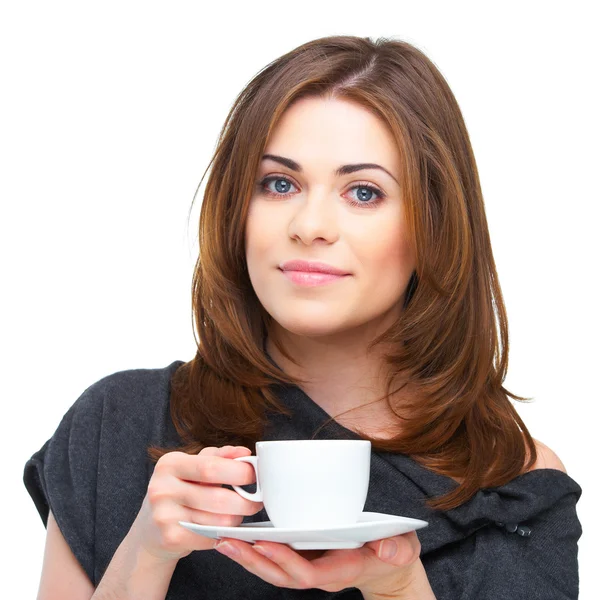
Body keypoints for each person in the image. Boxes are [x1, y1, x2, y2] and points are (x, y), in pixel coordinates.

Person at [24, 35, 582, 600]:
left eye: (363, 192)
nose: (310, 224)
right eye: (279, 184)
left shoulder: (512, 483)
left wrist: (397, 586)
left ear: (433, 226)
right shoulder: (120, 424)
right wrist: (145, 553)